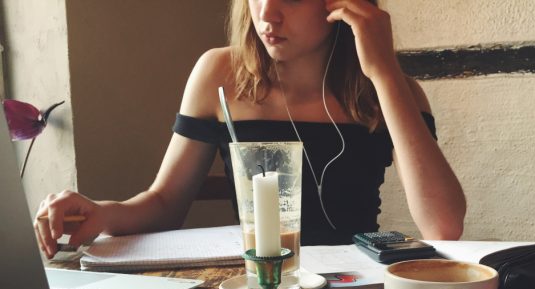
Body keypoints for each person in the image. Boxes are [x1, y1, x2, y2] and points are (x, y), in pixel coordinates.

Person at [34, 0, 466, 258]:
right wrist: (103, 212)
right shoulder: (220, 73)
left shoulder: (390, 90)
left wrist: (385, 74)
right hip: (256, 285)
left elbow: (443, 226)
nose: (267, 15)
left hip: (355, 288)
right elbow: (166, 202)